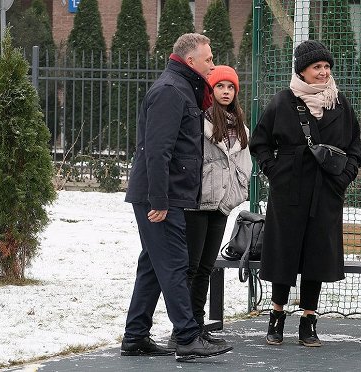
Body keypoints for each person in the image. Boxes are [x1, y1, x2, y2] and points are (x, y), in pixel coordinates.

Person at [121, 33, 233, 362]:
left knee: (153, 266)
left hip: (166, 194)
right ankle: (186, 337)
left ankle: (136, 335)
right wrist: (159, 201)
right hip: (161, 197)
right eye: (209, 59)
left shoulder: (183, 88)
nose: (213, 64)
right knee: (173, 263)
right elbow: (157, 151)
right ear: (190, 61)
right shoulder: (171, 91)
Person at [249, 40, 361, 347]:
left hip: (327, 190)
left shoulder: (341, 104)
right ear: (302, 70)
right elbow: (259, 143)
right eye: (317, 67)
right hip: (288, 190)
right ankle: (276, 315)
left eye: (327, 67)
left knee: (317, 254)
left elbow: (355, 147)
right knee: (283, 251)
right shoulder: (281, 102)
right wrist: (275, 171)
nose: (324, 72)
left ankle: (309, 320)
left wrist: (344, 177)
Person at [169, 65, 251, 347]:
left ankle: (198, 325)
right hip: (198, 203)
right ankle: (181, 329)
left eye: (230, 87)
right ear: (211, 91)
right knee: (190, 267)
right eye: (220, 87)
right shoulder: (199, 121)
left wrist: (237, 192)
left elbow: (243, 165)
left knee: (206, 267)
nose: (226, 92)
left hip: (221, 205)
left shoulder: (239, 125)